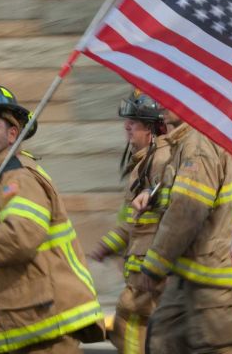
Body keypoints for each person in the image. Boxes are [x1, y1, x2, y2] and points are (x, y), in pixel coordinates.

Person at [0, 76, 105, 354]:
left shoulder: (17, 177)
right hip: (14, 316)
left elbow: (18, 240)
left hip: (44, 325)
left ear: (13, 134)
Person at [132, 109, 232, 353]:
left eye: (168, 96)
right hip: (187, 275)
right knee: (162, 341)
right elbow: (181, 196)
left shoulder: (199, 143)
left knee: (214, 347)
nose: (160, 104)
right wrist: (150, 196)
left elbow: (187, 211)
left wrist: (154, 266)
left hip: (210, 280)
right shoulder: (185, 142)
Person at [88, 90, 171, 354]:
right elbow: (130, 223)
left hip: (151, 274)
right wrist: (105, 247)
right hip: (141, 271)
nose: (127, 126)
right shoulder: (144, 163)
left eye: (134, 122)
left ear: (152, 128)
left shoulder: (161, 161)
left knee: (133, 328)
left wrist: (154, 267)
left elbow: (171, 218)